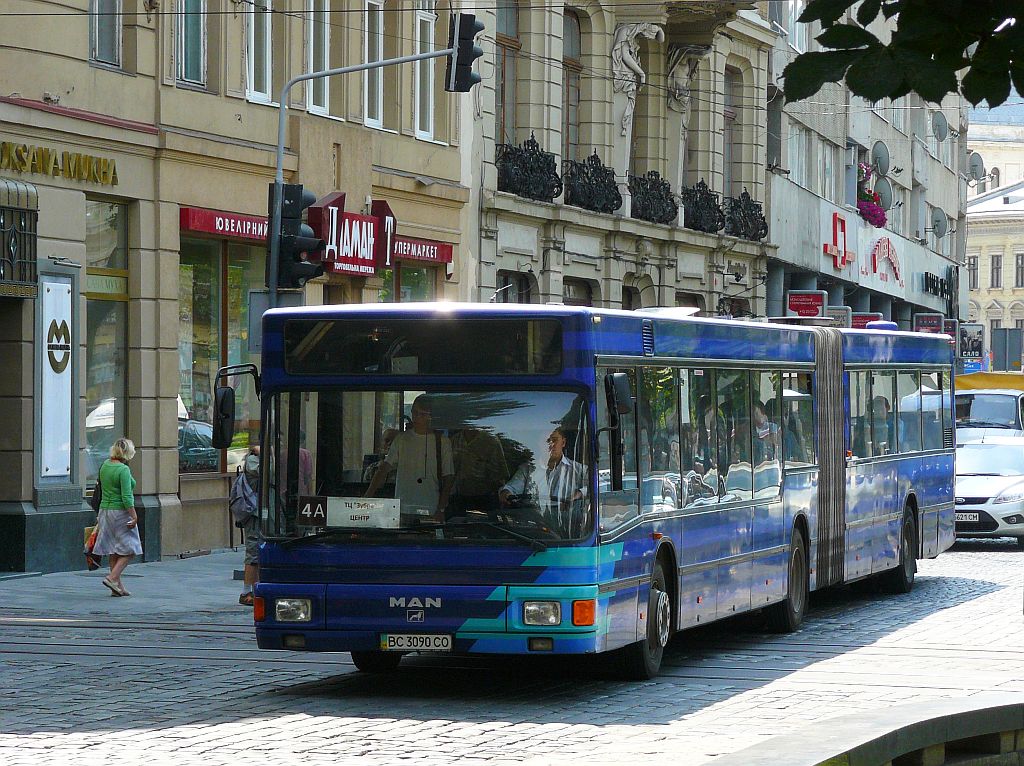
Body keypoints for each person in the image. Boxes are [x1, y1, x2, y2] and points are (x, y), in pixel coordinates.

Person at [365, 395, 454, 522]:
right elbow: (384, 468)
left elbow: (448, 478)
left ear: (431, 416)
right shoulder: (401, 439)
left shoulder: (443, 442)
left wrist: (440, 509)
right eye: (414, 412)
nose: (416, 417)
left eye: (422, 414)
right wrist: (367, 497)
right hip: (402, 510)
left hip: (430, 510)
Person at [499, 427, 587, 535]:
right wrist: (505, 493)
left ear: (563, 442)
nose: (551, 445)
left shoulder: (577, 469)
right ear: (539, 444)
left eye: (554, 440)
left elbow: (602, 485)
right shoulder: (528, 469)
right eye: (546, 441)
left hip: (568, 530)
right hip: (533, 528)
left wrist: (578, 494)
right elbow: (510, 488)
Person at [92, 437, 141, 597]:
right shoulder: (123, 470)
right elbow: (127, 496)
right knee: (130, 549)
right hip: (120, 512)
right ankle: (112, 578)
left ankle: (117, 587)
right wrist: (134, 516)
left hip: (105, 511)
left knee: (114, 549)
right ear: (128, 452)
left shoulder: (105, 465)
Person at [450, 425, 509, 516]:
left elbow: (499, 479)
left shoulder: (491, 441)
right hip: (457, 500)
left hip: (485, 500)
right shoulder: (454, 440)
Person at [230, 446, 261, 607]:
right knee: (253, 552)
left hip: (263, 513)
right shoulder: (253, 460)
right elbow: (269, 472)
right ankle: (246, 592)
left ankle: (257, 589)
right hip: (254, 513)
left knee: (258, 552)